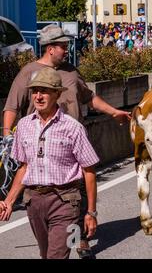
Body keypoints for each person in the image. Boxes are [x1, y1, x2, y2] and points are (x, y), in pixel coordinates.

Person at [2, 24, 131, 259]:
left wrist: (114, 112)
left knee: (76, 197)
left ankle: (78, 239)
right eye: (63, 46)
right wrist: (6, 134)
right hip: (39, 146)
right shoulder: (28, 73)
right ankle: (68, 241)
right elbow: (11, 106)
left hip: (71, 141)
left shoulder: (71, 72)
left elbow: (89, 98)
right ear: (51, 48)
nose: (66, 50)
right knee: (50, 245)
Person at [0, 67, 99, 259]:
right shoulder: (24, 125)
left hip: (65, 200)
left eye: (44, 91)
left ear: (57, 94)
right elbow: (24, 166)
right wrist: (9, 201)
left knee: (57, 255)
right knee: (45, 255)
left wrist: (91, 212)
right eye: (35, 91)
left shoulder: (73, 128)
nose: (38, 96)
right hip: (33, 201)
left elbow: (89, 170)